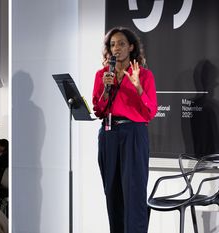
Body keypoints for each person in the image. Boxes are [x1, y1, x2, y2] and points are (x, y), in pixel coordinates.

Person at [92, 27, 157, 233]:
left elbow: (150, 112)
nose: (116, 48)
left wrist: (138, 87)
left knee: (134, 193)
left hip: (133, 134)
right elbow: (98, 110)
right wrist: (105, 88)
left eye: (121, 43)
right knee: (112, 193)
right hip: (108, 134)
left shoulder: (144, 75)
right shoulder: (102, 75)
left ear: (131, 47)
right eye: (112, 45)